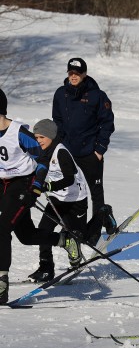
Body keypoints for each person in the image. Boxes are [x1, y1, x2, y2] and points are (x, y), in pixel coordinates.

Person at [0, 89, 82, 304]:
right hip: (3, 185)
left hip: (22, 183)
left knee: (2, 229)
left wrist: (35, 188)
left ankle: (1, 282)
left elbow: (43, 159)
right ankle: (63, 240)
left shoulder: (18, 133)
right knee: (26, 236)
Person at [52, 57, 116, 246]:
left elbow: (107, 123)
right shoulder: (60, 94)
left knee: (96, 193)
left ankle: (95, 230)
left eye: (77, 74)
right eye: (71, 73)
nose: (74, 76)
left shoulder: (97, 95)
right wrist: (58, 147)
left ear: (84, 74)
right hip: (68, 153)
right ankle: (74, 228)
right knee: (71, 190)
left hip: (90, 153)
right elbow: (57, 121)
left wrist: (100, 149)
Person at [27, 119, 88, 282]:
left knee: (78, 235)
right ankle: (46, 268)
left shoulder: (61, 152)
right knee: (43, 230)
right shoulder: (42, 152)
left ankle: (104, 214)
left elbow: (69, 179)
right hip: (58, 199)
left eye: (41, 137)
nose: (38, 141)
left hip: (75, 200)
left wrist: (49, 186)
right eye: (36, 137)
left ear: (51, 136)